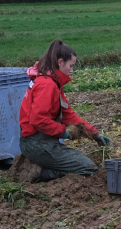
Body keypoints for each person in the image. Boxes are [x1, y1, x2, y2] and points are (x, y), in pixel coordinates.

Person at [13, 40, 110, 183]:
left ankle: (41, 163)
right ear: (60, 62)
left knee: (84, 165)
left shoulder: (54, 82)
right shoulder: (47, 85)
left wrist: (94, 133)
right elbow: (38, 120)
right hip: (36, 143)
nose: (71, 70)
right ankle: (37, 171)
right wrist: (63, 132)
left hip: (42, 140)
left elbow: (67, 115)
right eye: (71, 66)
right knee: (89, 168)